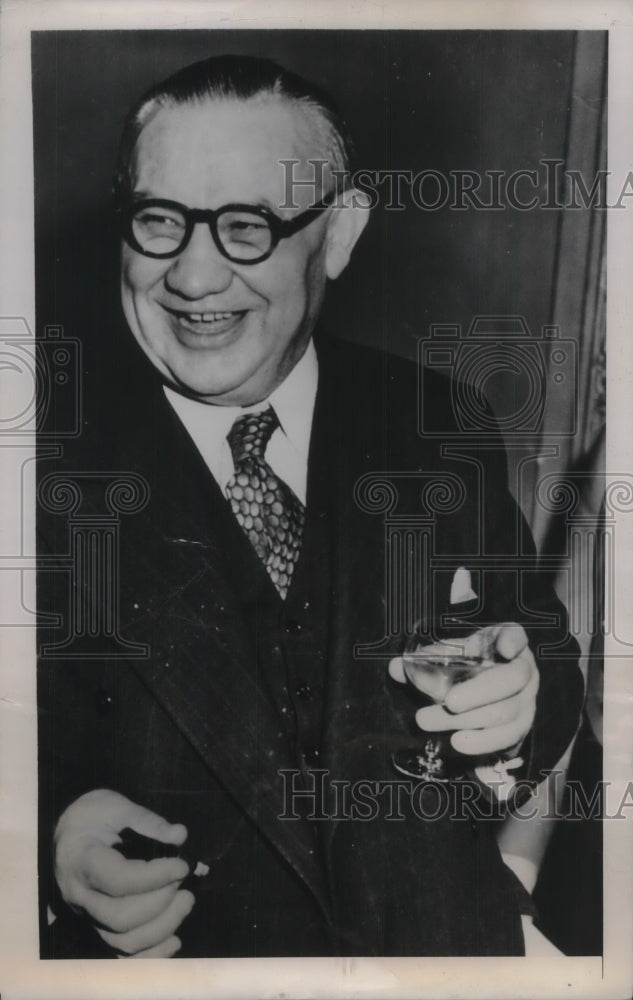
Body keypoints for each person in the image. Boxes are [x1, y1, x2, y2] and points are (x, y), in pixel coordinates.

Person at [37, 53, 583, 959]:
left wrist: (523, 701)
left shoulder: (435, 421)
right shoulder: (36, 459)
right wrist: (48, 841)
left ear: (336, 233)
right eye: (161, 220)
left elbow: (544, 650)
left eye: (246, 225)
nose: (194, 279)